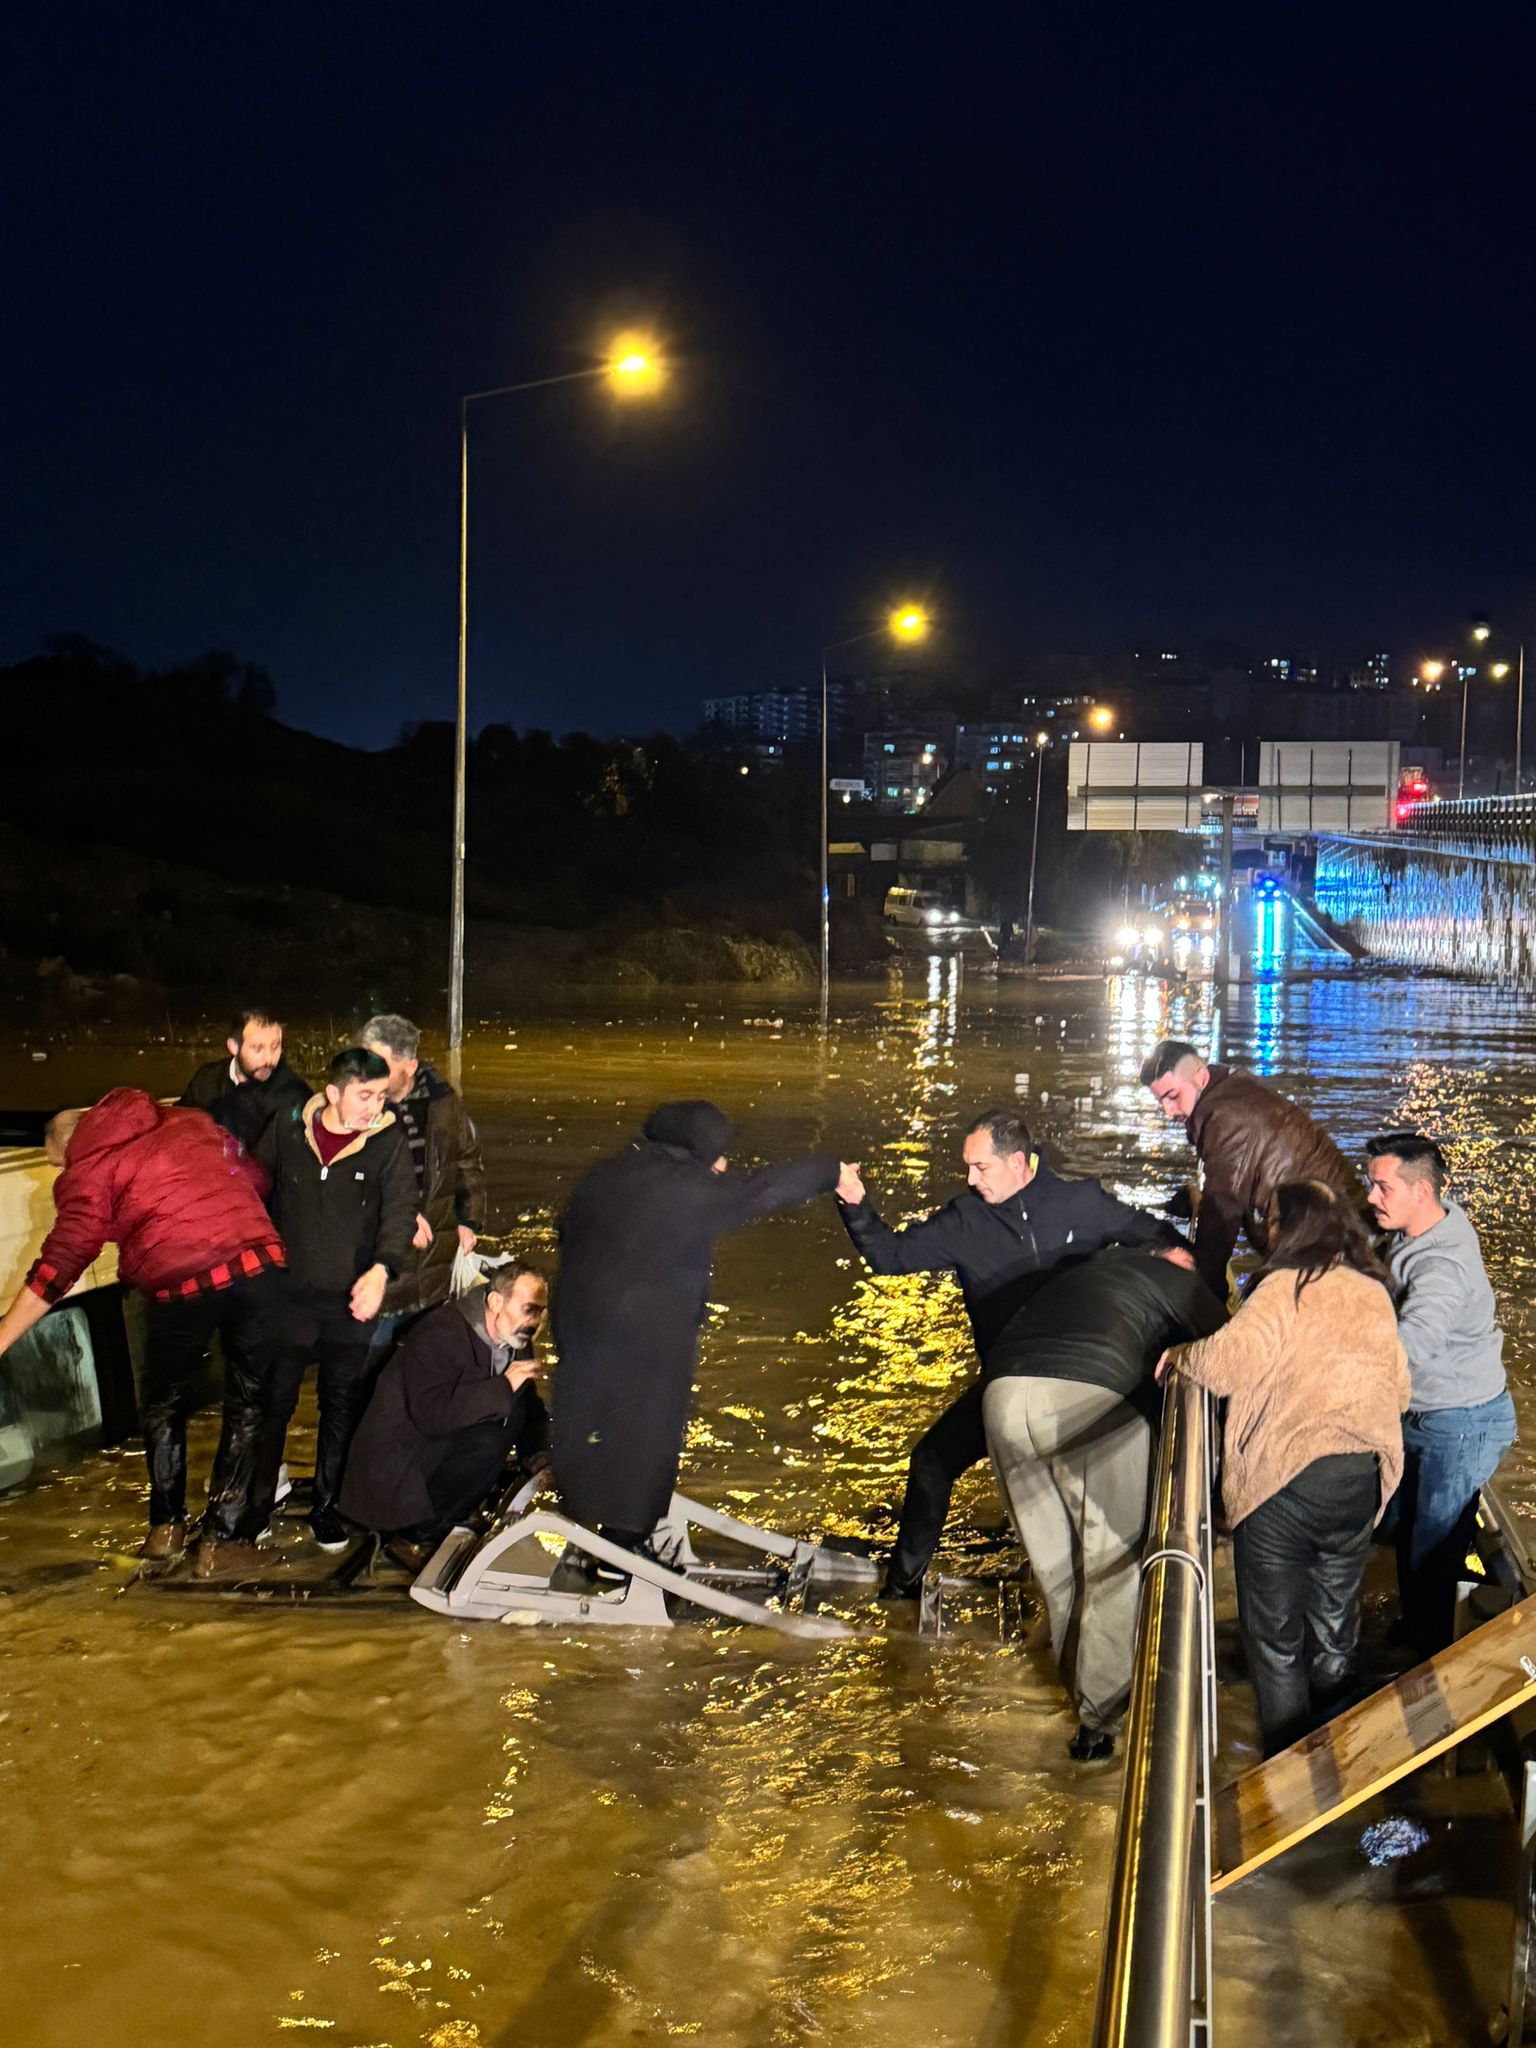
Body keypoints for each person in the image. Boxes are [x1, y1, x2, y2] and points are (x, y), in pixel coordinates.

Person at [836, 1109, 1183, 1599]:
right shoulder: (965, 1220)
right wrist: (855, 1203)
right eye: (968, 1167)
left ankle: (1151, 1556)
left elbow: (1152, 1233)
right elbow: (891, 1256)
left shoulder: (1079, 1202)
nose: (970, 1179)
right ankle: (901, 1590)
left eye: (981, 1167)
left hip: (1078, 1376)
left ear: (1018, 1162)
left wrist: (1171, 1256)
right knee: (931, 1462)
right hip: (1012, 1379)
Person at [1160, 1181, 1410, 1756]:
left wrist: (1181, 1355)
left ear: (1292, 1229)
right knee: (1334, 1632)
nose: (1265, 1230)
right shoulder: (1372, 1293)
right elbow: (1400, 1390)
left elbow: (1227, 1364)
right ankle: (1336, 1755)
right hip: (1357, 1482)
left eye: (1272, 1220)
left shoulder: (1282, 1288)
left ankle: (1288, 1771)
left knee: (1275, 1642)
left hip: (1283, 1487)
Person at [550, 1101, 837, 1586]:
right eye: (718, 1153)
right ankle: (621, 1553)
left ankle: (587, 1516)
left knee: (596, 1428)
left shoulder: (607, 1173)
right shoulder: (682, 1188)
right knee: (650, 1435)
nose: (723, 1164)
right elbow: (761, 1191)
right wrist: (829, 1171)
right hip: (645, 1340)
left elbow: (566, 1230)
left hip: (581, 1328)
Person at [0, 1089, 287, 1566]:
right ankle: (222, 1539)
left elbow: (60, 1264)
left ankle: (166, 1529)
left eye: (58, 1165)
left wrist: (4, 1337)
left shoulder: (87, 1171)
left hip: (180, 1284)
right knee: (248, 1401)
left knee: (162, 1403)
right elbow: (254, 1177)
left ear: (67, 1149)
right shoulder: (191, 1120)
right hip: (258, 1267)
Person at [983, 1243, 1224, 1759]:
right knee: (1112, 1560)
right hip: (1089, 1399)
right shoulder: (1176, 1278)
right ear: (1175, 1261)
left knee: (1056, 1562)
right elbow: (1228, 1348)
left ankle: (1070, 1685)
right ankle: (1099, 1723)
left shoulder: (1089, 1273)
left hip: (1002, 1396)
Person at [246, 1048, 418, 1554]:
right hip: (288, 1297)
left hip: (350, 1299)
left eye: (380, 1096)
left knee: (340, 1404)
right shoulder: (287, 1129)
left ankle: (327, 1508)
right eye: (365, 1096)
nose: (374, 1107)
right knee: (274, 1402)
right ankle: (255, 1507)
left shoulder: (387, 1142)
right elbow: (251, 1188)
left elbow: (400, 1211)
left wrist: (382, 1271)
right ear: (334, 1093)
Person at [1365, 1131, 1517, 1656]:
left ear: (1422, 1192)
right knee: (1401, 1525)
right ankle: (1420, 1623)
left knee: (1429, 1548)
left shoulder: (1440, 1268)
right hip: (1428, 1413)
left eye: (1382, 1188)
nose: (1371, 1198)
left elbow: (1412, 1345)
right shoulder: (1429, 1222)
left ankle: (1427, 1653)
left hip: (1460, 1423)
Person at [340, 1263, 548, 1548]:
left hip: (435, 1452)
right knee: (489, 1437)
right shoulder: (441, 1332)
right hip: (398, 1471)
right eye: (529, 1310)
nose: (536, 1322)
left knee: (508, 1420)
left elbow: (527, 1401)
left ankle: (453, 1512)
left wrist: (539, 1453)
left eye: (541, 1312)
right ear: (495, 1302)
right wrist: (502, 1387)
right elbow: (431, 1415)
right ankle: (423, 1529)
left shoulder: (515, 1336)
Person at [1140, 1037, 1366, 1298]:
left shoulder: (1225, 1118)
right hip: (1341, 1224)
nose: (1168, 1111)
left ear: (1201, 1077)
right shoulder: (1232, 1088)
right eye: (1161, 1101)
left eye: (1173, 1096)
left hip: (1326, 1239)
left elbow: (1223, 1208)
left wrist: (1204, 1288)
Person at [359, 1013, 485, 1359]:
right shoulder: (356, 1102)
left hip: (433, 1267)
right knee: (368, 1357)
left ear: (410, 1065)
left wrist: (469, 1220)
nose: (369, 1071)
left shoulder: (443, 1102)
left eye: (380, 1063)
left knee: (424, 1358)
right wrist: (403, 1218)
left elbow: (466, 1159)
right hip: (381, 1264)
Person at [180, 1007, 311, 1151]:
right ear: (234, 1047)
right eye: (258, 1049)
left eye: (275, 1047)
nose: (268, 1059)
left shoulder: (293, 1096)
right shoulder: (207, 1078)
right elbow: (180, 1126)